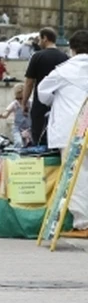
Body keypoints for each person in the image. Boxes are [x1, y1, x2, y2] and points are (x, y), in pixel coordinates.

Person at [36, 29, 88, 232]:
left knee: (74, 173)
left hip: (70, 129)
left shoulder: (62, 71)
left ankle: (82, 221)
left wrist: (56, 99)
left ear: (72, 49)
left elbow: (43, 94)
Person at [23, 27, 69, 146]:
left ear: (45, 38)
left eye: (39, 39)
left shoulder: (37, 56)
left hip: (40, 104)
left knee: (38, 138)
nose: (38, 43)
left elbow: (29, 82)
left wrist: (24, 102)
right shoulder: (65, 58)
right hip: (59, 105)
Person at [0, 84, 30, 149]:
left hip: (28, 128)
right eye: (17, 98)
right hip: (17, 128)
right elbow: (6, 114)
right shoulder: (15, 104)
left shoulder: (30, 103)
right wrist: (1, 115)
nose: (19, 100)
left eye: (21, 98)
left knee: (28, 144)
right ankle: (16, 154)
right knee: (18, 142)